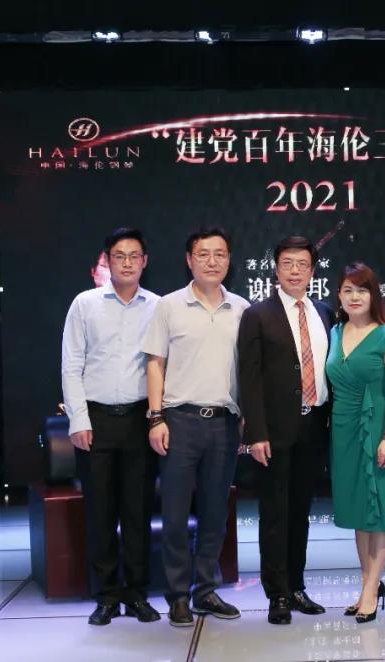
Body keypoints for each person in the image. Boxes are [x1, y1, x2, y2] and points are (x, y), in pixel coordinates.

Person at [142, 227, 250, 628]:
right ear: (189, 260)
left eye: (219, 254)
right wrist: (156, 417)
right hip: (179, 422)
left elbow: (248, 370)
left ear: (229, 260)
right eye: (203, 254)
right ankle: (177, 596)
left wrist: (247, 419)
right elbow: (155, 363)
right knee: (174, 515)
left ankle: (205, 590)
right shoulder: (169, 306)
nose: (212, 261)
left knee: (215, 513)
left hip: (224, 424)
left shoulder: (241, 308)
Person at [61, 227, 161, 626]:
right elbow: (71, 365)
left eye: (134, 256)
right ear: (107, 260)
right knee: (100, 513)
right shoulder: (85, 304)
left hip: (140, 419)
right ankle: (105, 596)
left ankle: (137, 594)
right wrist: (78, 419)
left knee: (138, 511)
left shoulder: (158, 306)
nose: (127, 263)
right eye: (119, 256)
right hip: (96, 421)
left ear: (145, 262)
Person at [238, 235, 335, 625]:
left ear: (313, 270)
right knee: (275, 513)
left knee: (301, 512)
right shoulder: (257, 315)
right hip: (273, 431)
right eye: (287, 264)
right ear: (276, 269)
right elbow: (249, 379)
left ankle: (296, 586)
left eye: (303, 264)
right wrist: (255, 432)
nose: (295, 271)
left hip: (314, 426)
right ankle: (277, 592)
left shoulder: (325, 312)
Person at [326, 262, 385, 623]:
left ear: (374, 295)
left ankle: (371, 590)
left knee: (381, 510)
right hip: (343, 430)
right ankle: (367, 584)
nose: (355, 296)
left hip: (377, 428)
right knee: (360, 511)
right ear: (339, 296)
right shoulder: (334, 332)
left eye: (362, 289)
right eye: (348, 290)